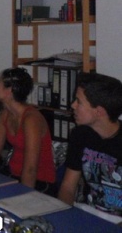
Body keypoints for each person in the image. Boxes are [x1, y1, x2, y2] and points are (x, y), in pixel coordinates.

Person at [58, 72, 122, 219]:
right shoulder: (80, 135)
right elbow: (68, 187)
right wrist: (64, 216)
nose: (73, 105)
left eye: (79, 102)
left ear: (99, 111)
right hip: (89, 214)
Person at [0, 67, 56, 195]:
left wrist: (23, 199)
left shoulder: (31, 119)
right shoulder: (5, 114)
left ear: (9, 90)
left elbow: (30, 169)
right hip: (14, 176)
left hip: (38, 182)